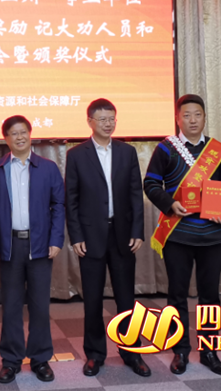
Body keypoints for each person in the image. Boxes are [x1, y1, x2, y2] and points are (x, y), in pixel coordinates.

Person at [143, 94, 221, 376]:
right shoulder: (166, 148)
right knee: (177, 295)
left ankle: (209, 351)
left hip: (212, 235)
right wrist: (169, 204)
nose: (192, 120)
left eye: (197, 115)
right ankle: (180, 350)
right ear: (178, 118)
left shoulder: (217, 150)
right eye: (186, 115)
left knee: (210, 296)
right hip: (178, 234)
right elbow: (151, 184)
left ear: (205, 117)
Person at [65, 99, 150, 378]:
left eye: (112, 118)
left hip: (123, 235)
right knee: (92, 299)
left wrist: (137, 231)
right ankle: (94, 354)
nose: (108, 123)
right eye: (102, 119)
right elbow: (71, 199)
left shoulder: (127, 152)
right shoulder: (76, 155)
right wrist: (76, 235)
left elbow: (136, 194)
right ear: (89, 121)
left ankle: (131, 352)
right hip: (90, 236)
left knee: (126, 298)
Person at [0, 116, 65, 384]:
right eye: (13, 133)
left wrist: (56, 239)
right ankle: (11, 360)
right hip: (10, 246)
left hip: (40, 245)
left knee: (40, 305)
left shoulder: (48, 168)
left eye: (23, 132)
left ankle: (41, 359)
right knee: (11, 305)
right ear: (6, 139)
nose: (19, 137)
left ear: (30, 134)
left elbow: (58, 205)